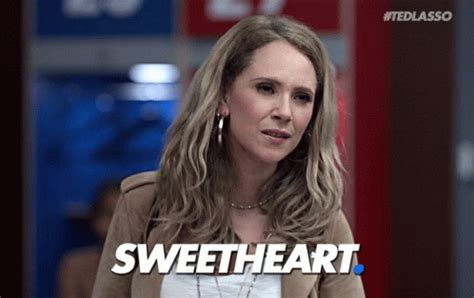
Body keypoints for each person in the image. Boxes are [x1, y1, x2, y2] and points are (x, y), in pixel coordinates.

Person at [92, 15, 364, 297]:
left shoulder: (323, 225)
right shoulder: (145, 204)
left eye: (301, 97)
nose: (285, 111)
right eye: (266, 88)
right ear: (223, 96)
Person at [57, 181, 120, 298]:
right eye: (109, 215)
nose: (116, 224)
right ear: (96, 219)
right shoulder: (75, 267)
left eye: (125, 215)